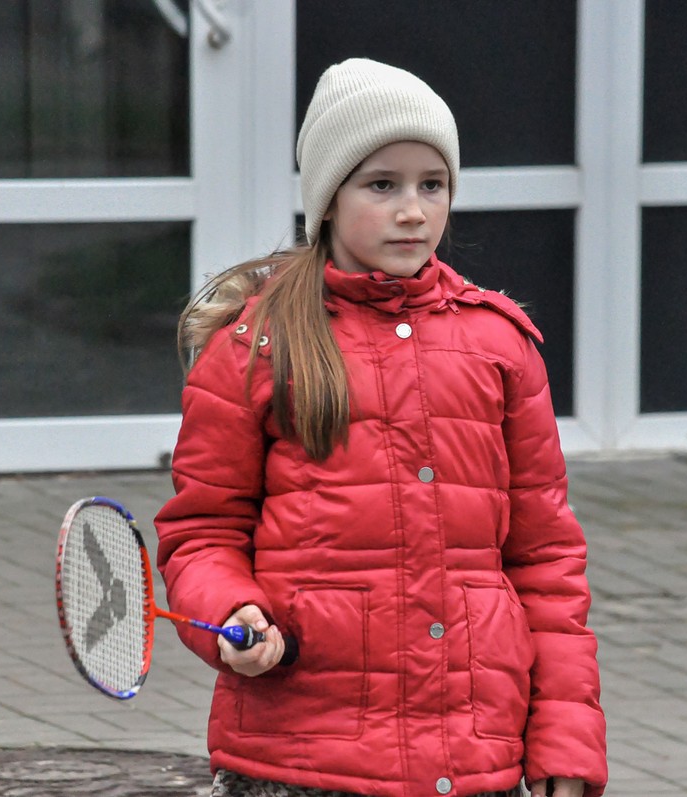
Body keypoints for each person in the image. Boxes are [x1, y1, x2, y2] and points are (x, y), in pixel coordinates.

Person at [155, 58, 607, 797]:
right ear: (328, 199)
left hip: (471, 762)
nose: (413, 211)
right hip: (299, 757)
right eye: (382, 185)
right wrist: (230, 613)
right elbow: (202, 531)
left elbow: (547, 562)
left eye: (433, 184)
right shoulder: (256, 346)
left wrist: (564, 738)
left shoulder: (499, 344)